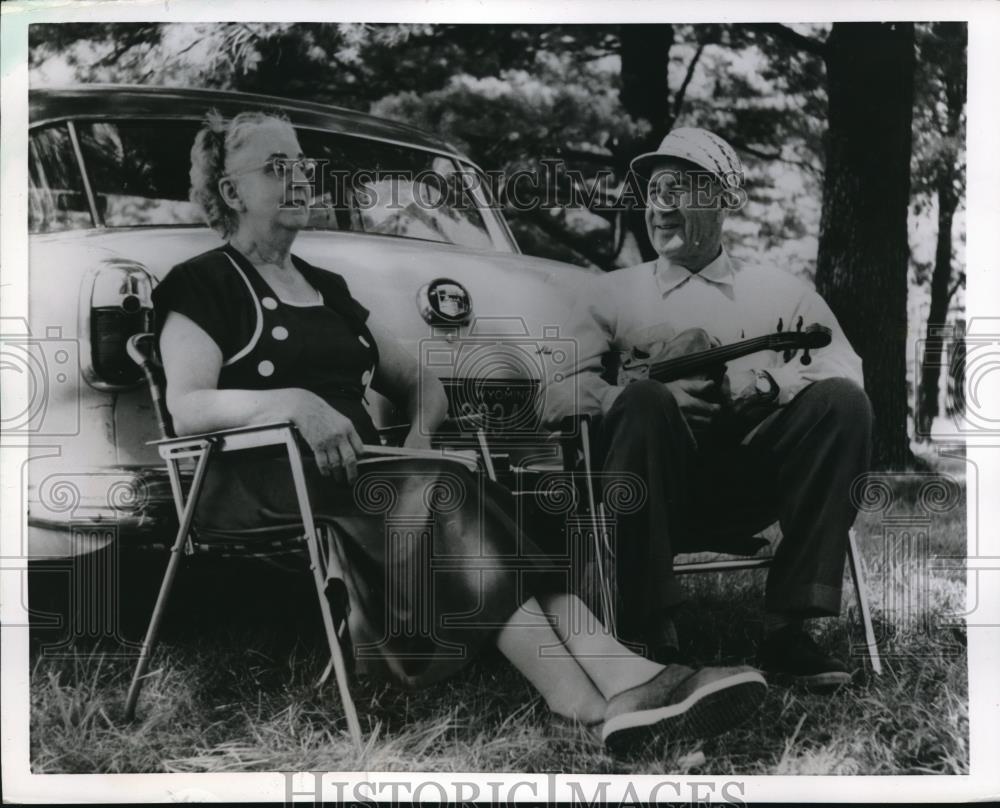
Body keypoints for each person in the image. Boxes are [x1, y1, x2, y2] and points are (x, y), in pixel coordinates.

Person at [152, 110, 768, 754]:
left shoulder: (325, 289)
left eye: (303, 164)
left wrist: (418, 438)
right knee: (447, 493)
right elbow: (188, 405)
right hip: (260, 479)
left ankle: (623, 684)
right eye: (278, 168)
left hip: (359, 476)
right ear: (230, 193)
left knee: (479, 492)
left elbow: (423, 381)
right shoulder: (201, 284)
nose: (301, 178)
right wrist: (296, 403)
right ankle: (590, 695)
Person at [540, 127, 873, 691]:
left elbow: (847, 369)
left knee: (845, 405)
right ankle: (651, 629)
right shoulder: (609, 293)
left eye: (681, 188)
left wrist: (767, 386)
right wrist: (630, 397)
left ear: (721, 200)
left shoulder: (781, 291)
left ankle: (788, 629)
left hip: (749, 484)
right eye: (653, 189)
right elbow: (553, 393)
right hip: (644, 485)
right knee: (646, 398)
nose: (660, 204)